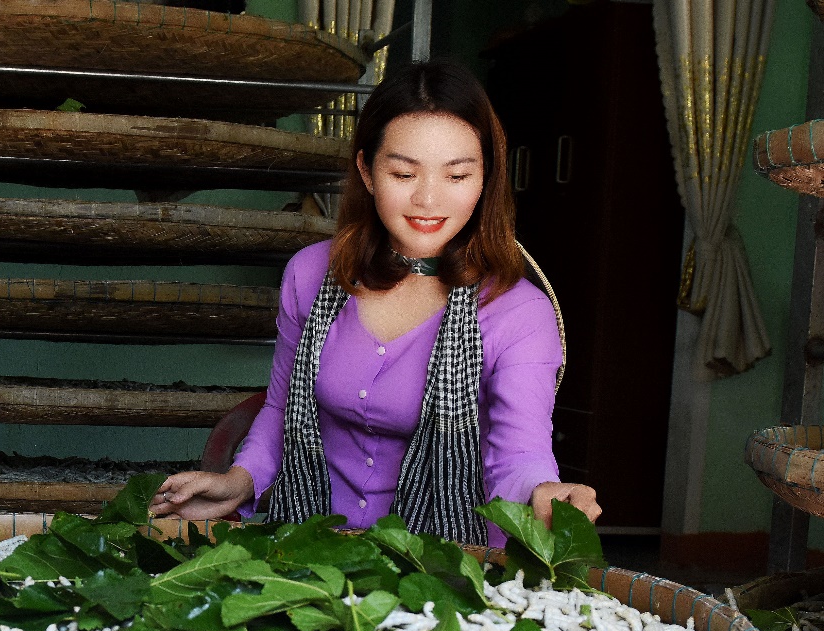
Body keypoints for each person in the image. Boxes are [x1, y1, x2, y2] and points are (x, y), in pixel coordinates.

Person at [149, 59, 600, 546]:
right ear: (367, 170)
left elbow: (516, 456)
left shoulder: (518, 312)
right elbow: (282, 410)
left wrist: (545, 491)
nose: (428, 200)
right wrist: (236, 482)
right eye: (404, 173)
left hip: (446, 564)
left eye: (457, 176)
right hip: (309, 540)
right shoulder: (311, 273)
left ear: (486, 178)